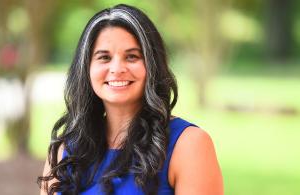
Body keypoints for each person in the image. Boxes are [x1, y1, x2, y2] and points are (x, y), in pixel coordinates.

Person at [38, 4, 223, 195]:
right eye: (104, 57)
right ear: (86, 69)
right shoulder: (66, 151)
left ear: (152, 66)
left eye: (132, 56)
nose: (117, 68)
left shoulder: (188, 145)